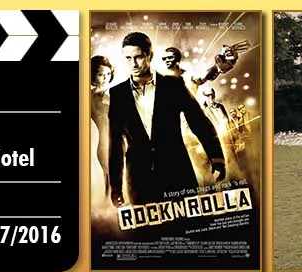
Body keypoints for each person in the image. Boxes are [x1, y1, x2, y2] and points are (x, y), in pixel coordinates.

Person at [106, 31, 225, 207]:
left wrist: (216, 158)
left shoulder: (173, 85)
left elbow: (199, 122)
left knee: (188, 230)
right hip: (139, 180)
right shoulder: (117, 94)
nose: (133, 64)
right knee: (147, 233)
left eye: (138, 57)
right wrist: (116, 185)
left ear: (149, 55)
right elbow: (115, 141)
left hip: (177, 173)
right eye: (128, 58)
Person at [88, 55, 114, 198]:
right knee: (107, 175)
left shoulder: (113, 94)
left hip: (116, 139)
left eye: (108, 74)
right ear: (93, 75)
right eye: (101, 75)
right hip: (100, 141)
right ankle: (107, 205)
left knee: (113, 175)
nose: (106, 78)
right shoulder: (88, 95)